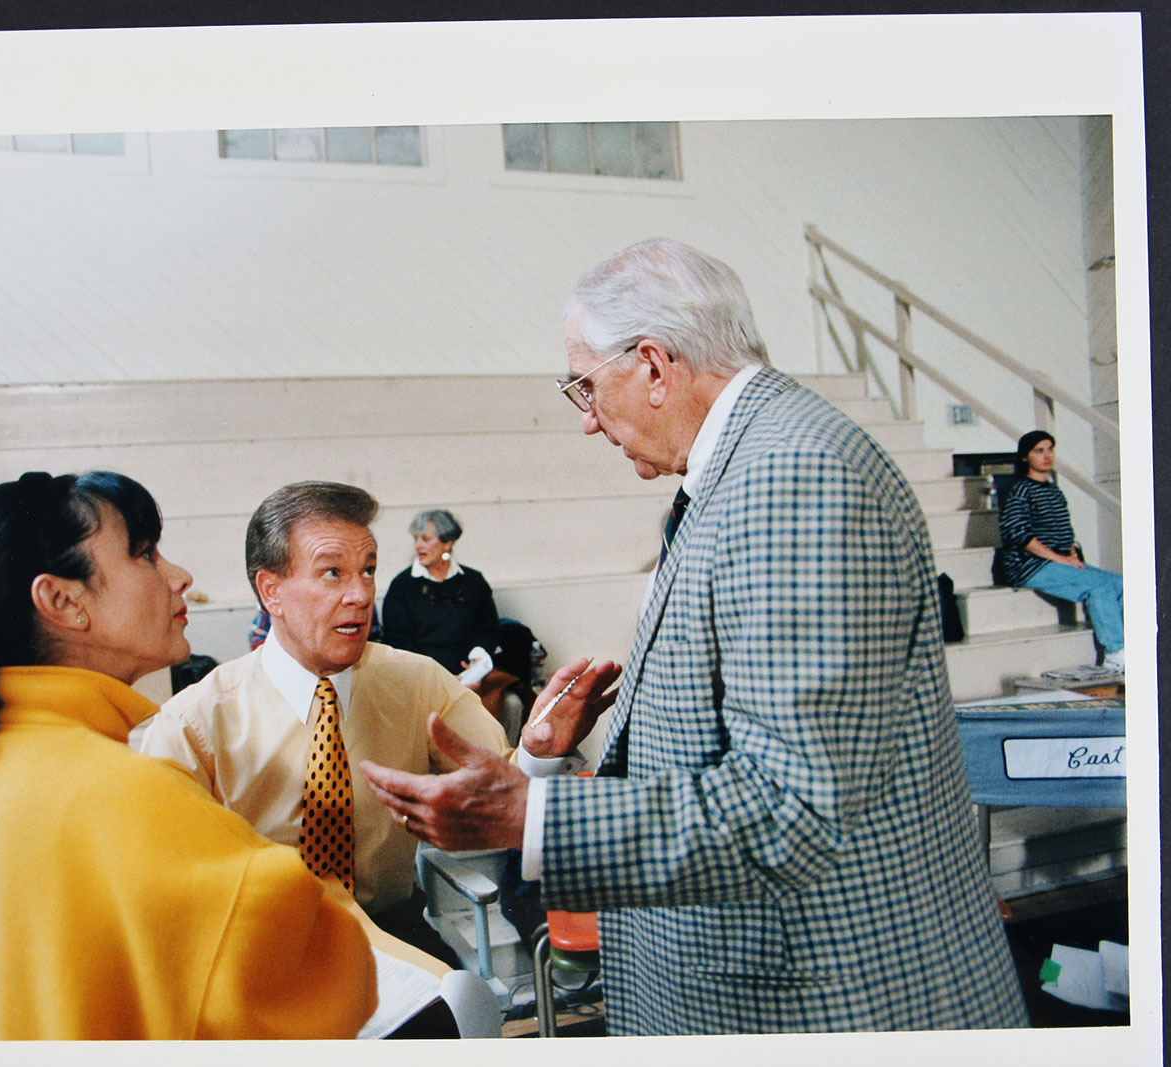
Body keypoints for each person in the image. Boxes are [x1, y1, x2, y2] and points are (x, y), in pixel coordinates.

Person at [360, 238, 1028, 1034]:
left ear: (652, 365)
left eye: (585, 386)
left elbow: (791, 806)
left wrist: (529, 818)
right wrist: (547, 769)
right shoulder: (748, 466)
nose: (585, 421)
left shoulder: (795, 475)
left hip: (813, 1005)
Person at [0, 470, 376, 1040]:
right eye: (144, 554)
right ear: (63, 600)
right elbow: (322, 982)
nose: (180, 577)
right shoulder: (127, 793)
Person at [139, 480, 618, 963]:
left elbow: (499, 785)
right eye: (332, 573)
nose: (361, 595)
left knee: (457, 1015)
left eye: (368, 571)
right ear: (271, 591)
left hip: (392, 931)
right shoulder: (195, 724)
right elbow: (164, 892)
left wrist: (538, 753)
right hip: (260, 947)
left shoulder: (417, 683)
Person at [998, 429, 1124, 672]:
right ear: (1025, 457)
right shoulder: (1020, 490)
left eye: (1050, 449)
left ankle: (1129, 644)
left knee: (1119, 584)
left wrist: (1072, 556)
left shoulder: (1054, 491)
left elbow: (1065, 532)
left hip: (1058, 560)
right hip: (1028, 566)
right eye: (1039, 451)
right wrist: (1060, 559)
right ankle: (1115, 654)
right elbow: (1020, 535)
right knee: (1099, 586)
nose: (1047, 456)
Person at [381, 509, 501, 679]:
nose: (418, 545)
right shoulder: (402, 585)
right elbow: (398, 643)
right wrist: (439, 677)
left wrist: (476, 664)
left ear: (447, 542)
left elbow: (488, 630)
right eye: (416, 539)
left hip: (470, 671)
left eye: (426, 539)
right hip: (422, 675)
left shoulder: (473, 581)